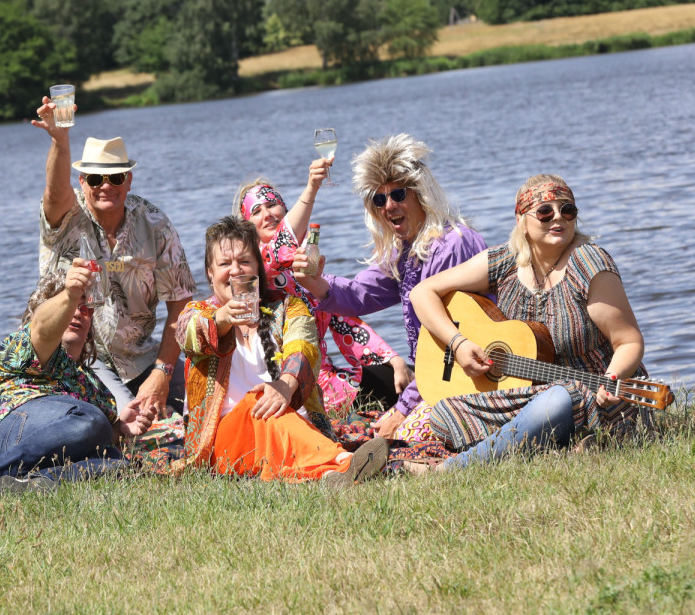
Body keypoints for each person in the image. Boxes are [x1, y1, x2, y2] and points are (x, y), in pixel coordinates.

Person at [408, 174, 648, 469]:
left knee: (558, 401)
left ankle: (450, 469)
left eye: (567, 210)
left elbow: (629, 341)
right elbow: (423, 292)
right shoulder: (505, 261)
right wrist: (457, 343)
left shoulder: (590, 264)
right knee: (445, 413)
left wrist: (612, 379)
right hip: (528, 392)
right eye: (545, 211)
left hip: (593, 395)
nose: (558, 217)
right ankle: (551, 446)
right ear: (521, 220)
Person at [292, 134, 487, 440]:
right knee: (369, 431)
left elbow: (440, 348)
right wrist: (315, 283)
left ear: (420, 193)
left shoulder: (450, 246)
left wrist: (402, 411)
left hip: (470, 372)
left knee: (399, 436)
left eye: (398, 194)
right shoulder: (406, 250)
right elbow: (359, 294)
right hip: (438, 373)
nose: (389, 206)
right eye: (379, 199)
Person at [176, 215, 390, 484]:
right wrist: (223, 319)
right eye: (224, 264)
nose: (235, 271)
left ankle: (332, 475)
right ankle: (345, 461)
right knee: (259, 402)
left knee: (275, 416)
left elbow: (304, 347)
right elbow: (185, 333)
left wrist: (285, 385)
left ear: (258, 269)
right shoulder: (200, 313)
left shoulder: (289, 308)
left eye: (244, 261)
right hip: (227, 438)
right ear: (209, 272)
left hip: (288, 423)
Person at [31, 97, 196, 417]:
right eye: (95, 179)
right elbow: (53, 193)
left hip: (144, 358)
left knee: (206, 399)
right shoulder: (65, 217)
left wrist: (162, 373)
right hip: (79, 358)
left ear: (129, 179)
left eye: (116, 177)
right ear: (81, 182)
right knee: (130, 417)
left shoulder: (155, 224)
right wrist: (60, 141)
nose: (106, 186)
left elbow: (181, 300)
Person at [0, 263, 155, 501]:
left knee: (119, 464)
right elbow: (42, 329)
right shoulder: (24, 346)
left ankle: (34, 482)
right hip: (7, 437)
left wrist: (119, 429)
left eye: (85, 308)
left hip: (39, 457)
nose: (77, 311)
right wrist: (69, 294)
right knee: (92, 419)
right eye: (71, 305)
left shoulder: (92, 384)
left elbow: (87, 437)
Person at [234, 159, 412, 414]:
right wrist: (311, 188)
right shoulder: (258, 268)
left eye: (272, 205)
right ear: (247, 226)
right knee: (402, 395)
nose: (267, 214)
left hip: (327, 379)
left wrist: (392, 360)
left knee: (403, 380)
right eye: (257, 211)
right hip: (284, 385)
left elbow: (343, 321)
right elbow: (283, 242)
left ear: (285, 210)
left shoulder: (305, 270)